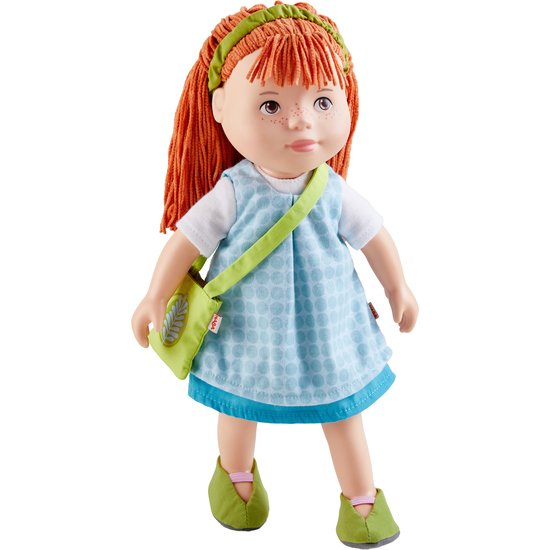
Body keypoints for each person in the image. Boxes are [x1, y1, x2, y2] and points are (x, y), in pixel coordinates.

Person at [131, 3, 418, 547]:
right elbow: (186, 242)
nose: (300, 120)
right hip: (249, 328)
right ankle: (236, 475)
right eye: (270, 104)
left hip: (326, 328)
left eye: (323, 101)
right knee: (238, 402)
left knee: (343, 409)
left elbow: (375, 237)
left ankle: (360, 497)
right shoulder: (233, 192)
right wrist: (154, 296)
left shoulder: (331, 190)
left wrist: (397, 287)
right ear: (220, 107)